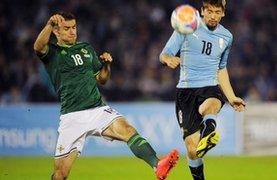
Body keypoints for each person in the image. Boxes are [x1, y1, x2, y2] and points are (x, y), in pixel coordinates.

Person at [33, 12, 179, 180]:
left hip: (97, 109)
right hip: (72, 116)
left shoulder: (85, 49)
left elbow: (102, 79)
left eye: (74, 27)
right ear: (56, 32)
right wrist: (49, 25)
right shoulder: (53, 53)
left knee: (128, 130)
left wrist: (106, 65)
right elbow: (38, 47)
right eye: (67, 29)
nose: (72, 32)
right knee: (60, 175)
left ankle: (157, 164)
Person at [159, 0, 245, 179]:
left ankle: (209, 126)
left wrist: (231, 96)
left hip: (209, 86)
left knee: (210, 105)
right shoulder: (186, 26)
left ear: (223, 13)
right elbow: (164, 53)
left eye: (217, 12)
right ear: (202, 11)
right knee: (193, 150)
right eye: (210, 11)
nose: (213, 16)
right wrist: (168, 59)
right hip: (186, 91)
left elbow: (221, 68)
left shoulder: (226, 36)